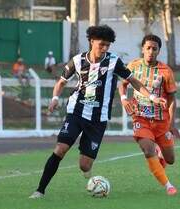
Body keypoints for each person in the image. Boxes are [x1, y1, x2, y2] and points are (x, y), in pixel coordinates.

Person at [29, 25, 166, 199]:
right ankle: (39, 190)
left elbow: (134, 81)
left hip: (98, 119)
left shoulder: (113, 61)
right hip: (76, 111)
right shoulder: (77, 61)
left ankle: (89, 174)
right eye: (101, 44)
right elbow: (61, 82)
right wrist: (55, 98)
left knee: (85, 165)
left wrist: (152, 97)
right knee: (61, 149)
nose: (104, 48)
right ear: (92, 41)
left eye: (107, 45)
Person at [119, 34, 180, 196]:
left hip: (161, 122)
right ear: (142, 49)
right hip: (140, 118)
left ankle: (160, 153)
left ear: (159, 51)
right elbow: (123, 85)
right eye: (148, 48)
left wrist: (172, 124)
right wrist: (124, 99)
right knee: (147, 149)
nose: (151, 51)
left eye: (154, 49)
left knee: (170, 160)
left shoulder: (166, 72)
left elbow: (172, 99)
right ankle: (169, 186)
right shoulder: (133, 65)